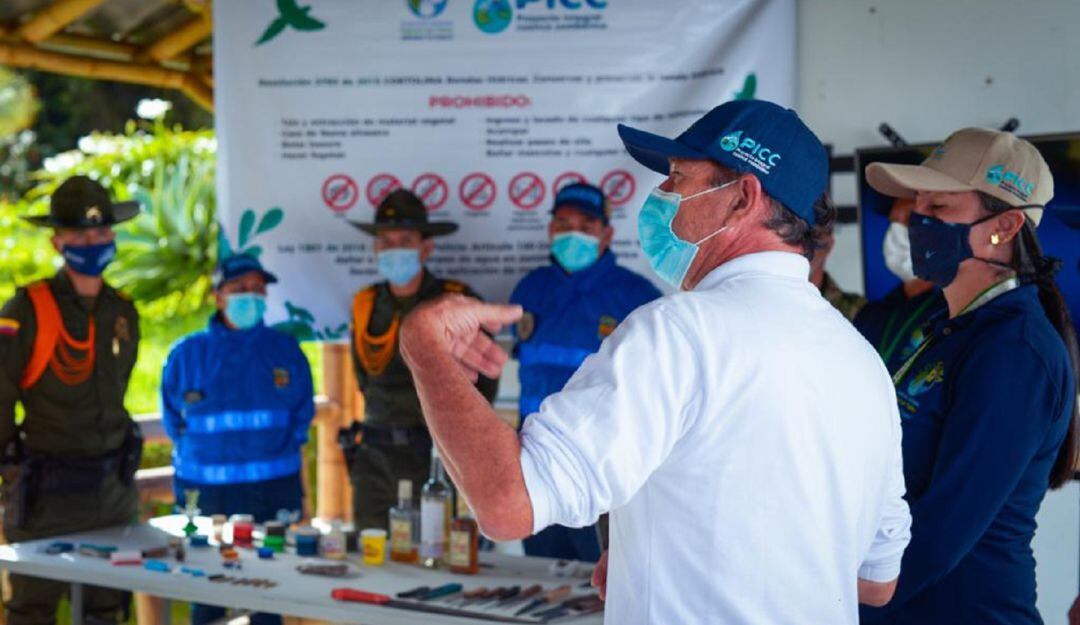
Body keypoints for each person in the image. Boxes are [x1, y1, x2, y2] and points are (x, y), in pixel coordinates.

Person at [397, 99, 911, 624]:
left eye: (678, 179)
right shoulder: (862, 362)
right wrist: (664, 544)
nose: (662, 198)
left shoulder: (679, 333)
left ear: (743, 197)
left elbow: (508, 504)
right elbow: (875, 581)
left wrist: (425, 350)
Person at [858, 127, 1078, 624]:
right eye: (919, 205)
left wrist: (837, 601)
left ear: (1003, 227)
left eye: (938, 209)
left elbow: (943, 528)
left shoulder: (1015, 351)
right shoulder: (950, 326)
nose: (917, 220)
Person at [0, 176, 143, 625]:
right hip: (48, 494)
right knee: (33, 611)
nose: (91, 242)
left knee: (108, 610)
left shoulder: (122, 311)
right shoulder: (27, 309)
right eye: (79, 235)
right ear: (57, 242)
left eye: (100, 233)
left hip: (112, 489)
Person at [510, 182, 660, 562]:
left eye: (586, 225)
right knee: (542, 572)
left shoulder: (637, 298)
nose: (572, 232)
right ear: (550, 230)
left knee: (602, 587)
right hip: (536, 462)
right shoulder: (529, 290)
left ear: (607, 234)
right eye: (563, 223)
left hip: (603, 467)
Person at [161, 253, 314, 625]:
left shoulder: (285, 351)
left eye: (258, 289)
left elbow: (300, 419)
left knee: (269, 593)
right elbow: (174, 423)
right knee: (207, 595)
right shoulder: (186, 355)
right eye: (239, 289)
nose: (251, 296)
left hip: (272, 493)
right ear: (218, 295)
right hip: (208, 500)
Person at [340, 189, 498, 530]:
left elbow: (484, 382)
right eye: (386, 240)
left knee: (433, 552)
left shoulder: (456, 302)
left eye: (405, 240)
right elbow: (364, 379)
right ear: (375, 248)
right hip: (374, 453)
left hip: (434, 453)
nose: (394, 248)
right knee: (371, 551)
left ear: (426, 247)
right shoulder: (365, 304)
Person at [854, 196, 946, 373]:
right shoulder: (871, 315)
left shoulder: (955, 314)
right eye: (893, 221)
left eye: (910, 219)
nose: (897, 231)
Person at [810, 194, 867, 320]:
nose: (802, 246)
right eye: (792, 235)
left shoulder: (858, 314)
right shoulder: (763, 301)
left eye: (812, 235)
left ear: (828, 244)